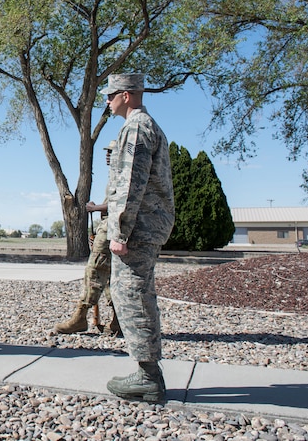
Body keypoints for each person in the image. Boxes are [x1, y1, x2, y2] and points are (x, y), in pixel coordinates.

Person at [102, 74, 175, 402]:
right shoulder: (145, 126)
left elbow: (131, 182)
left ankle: (147, 376)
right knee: (136, 292)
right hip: (145, 225)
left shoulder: (136, 128)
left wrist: (120, 231)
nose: (107, 101)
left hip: (138, 228)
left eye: (111, 95)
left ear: (127, 95)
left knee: (131, 294)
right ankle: (149, 372)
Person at [54, 140, 121, 336]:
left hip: (113, 228)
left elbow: (122, 204)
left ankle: (81, 316)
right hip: (109, 227)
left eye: (112, 152)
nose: (107, 155)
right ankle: (117, 319)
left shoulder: (123, 175)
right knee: (108, 275)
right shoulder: (115, 175)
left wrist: (95, 208)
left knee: (94, 270)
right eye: (107, 152)